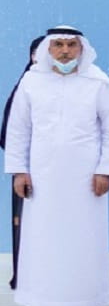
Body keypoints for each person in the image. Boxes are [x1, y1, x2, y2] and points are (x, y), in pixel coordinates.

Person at [7, 27, 109, 306]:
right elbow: (18, 130)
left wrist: (105, 169)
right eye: (58, 45)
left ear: (82, 49)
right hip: (42, 177)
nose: (65, 51)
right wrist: (19, 171)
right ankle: (43, 303)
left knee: (84, 237)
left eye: (71, 45)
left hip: (86, 178)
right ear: (48, 48)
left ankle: (87, 303)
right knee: (42, 237)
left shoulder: (97, 82)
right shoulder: (32, 82)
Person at [2, 35, 45, 292]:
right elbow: (10, 132)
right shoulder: (25, 87)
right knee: (26, 224)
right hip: (28, 172)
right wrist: (23, 165)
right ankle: (25, 277)